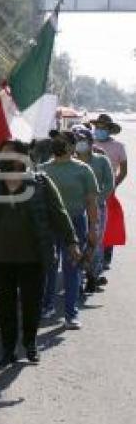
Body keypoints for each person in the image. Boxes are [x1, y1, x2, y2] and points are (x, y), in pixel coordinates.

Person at [0, 140, 78, 365]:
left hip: (33, 257)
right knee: (5, 305)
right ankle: (7, 349)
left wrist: (72, 241)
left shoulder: (41, 182)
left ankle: (30, 343)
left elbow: (59, 213)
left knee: (32, 304)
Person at [39, 131, 99, 329]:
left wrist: (93, 228)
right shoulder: (42, 169)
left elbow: (91, 201)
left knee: (72, 268)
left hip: (75, 222)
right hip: (48, 224)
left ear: (73, 147)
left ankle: (71, 314)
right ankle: (46, 306)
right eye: (56, 141)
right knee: (48, 266)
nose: (58, 144)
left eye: (63, 142)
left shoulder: (83, 170)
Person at [73, 126, 114, 293]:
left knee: (95, 242)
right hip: (76, 208)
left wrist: (96, 201)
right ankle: (79, 278)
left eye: (83, 140)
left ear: (90, 143)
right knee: (78, 242)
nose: (80, 144)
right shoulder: (71, 161)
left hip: (98, 207)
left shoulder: (102, 160)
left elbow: (109, 184)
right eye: (77, 141)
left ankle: (92, 276)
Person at [90, 114, 127, 269]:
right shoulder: (88, 143)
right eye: (98, 127)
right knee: (91, 223)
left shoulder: (118, 146)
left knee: (109, 223)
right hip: (89, 188)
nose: (100, 130)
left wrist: (112, 186)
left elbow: (123, 171)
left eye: (103, 128)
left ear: (109, 130)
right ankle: (89, 257)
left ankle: (106, 256)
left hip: (108, 190)